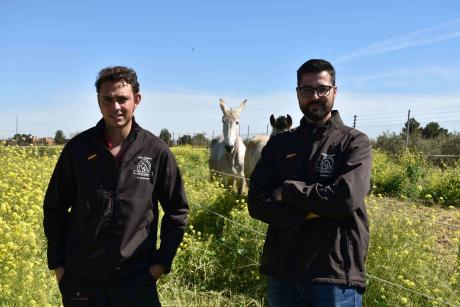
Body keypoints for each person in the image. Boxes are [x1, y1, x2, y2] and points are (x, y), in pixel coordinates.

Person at [43, 66, 189, 306]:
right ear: (99, 102)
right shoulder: (78, 149)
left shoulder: (155, 151)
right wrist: (59, 267)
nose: (115, 107)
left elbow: (177, 210)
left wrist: (161, 264)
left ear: (137, 100)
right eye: (107, 100)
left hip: (136, 281)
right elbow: (55, 208)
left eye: (122, 99)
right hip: (82, 280)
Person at [247, 59, 371, 307]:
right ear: (297, 94)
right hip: (283, 274)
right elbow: (256, 202)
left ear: (335, 91)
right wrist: (314, 212)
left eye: (322, 88)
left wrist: (286, 192)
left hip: (334, 275)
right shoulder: (280, 145)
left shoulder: (354, 143)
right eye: (307, 90)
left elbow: (344, 199)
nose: (315, 96)